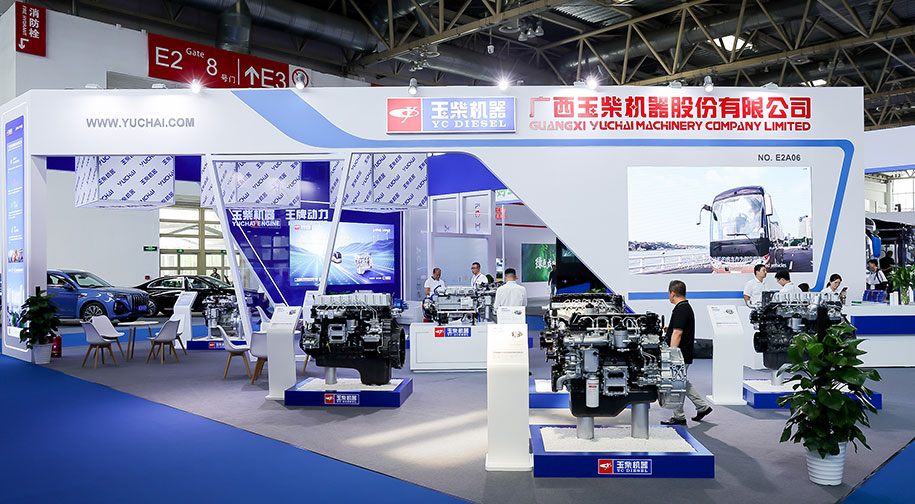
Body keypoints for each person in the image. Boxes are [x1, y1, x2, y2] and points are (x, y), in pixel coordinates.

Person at [660, 280, 712, 426]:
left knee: (674, 384)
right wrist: (670, 329)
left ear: (672, 293)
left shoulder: (681, 310)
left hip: (679, 355)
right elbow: (677, 330)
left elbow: (678, 333)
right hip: (684, 353)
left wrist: (671, 355)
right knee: (682, 382)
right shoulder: (684, 308)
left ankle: (679, 416)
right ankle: (702, 407)